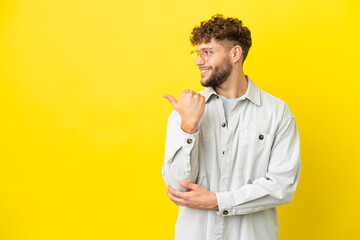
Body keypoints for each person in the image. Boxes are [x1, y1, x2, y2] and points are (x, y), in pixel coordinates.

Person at [162, 14, 301, 240]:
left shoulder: (277, 112)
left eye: (207, 52)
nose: (198, 61)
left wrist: (218, 201)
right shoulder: (186, 110)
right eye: (197, 53)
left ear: (235, 54)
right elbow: (178, 188)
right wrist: (189, 127)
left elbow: (282, 185)